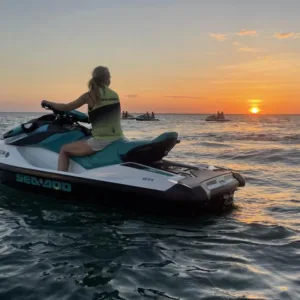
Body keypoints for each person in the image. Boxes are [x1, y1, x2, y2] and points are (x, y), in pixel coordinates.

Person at [42, 66, 124, 172]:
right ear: (106, 78)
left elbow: (67, 107)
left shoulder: (89, 96)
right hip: (118, 136)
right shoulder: (114, 95)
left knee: (64, 150)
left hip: (101, 141)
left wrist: (49, 103)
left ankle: (61, 180)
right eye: (110, 76)